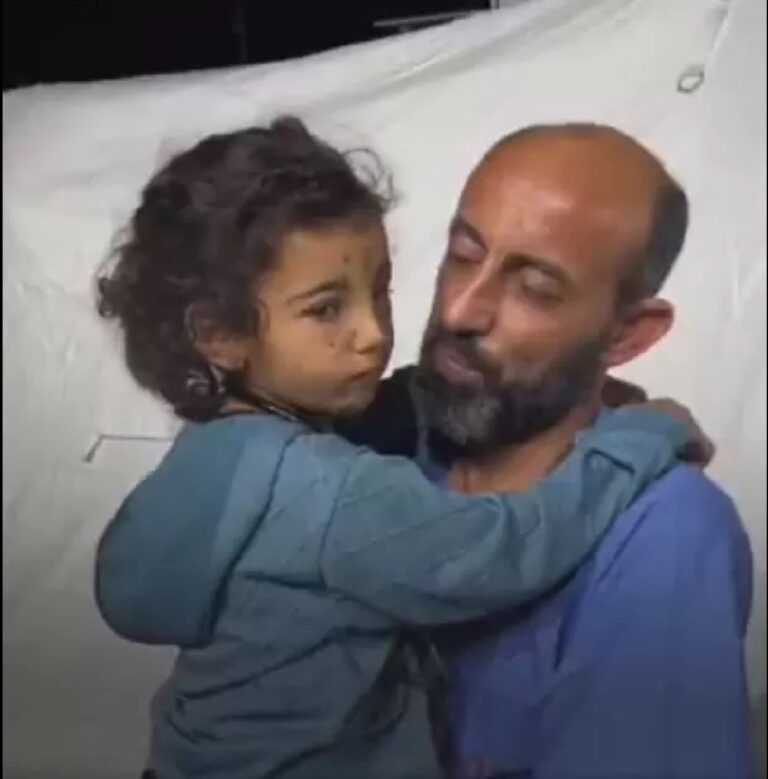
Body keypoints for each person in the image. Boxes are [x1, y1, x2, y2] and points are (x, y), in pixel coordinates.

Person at [93, 116, 703, 779]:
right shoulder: (335, 495)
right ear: (220, 334)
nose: (372, 334)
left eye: (380, 290)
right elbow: (506, 550)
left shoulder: (216, 452)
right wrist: (637, 438)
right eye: (327, 309)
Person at [344, 123, 754, 779]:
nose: (461, 311)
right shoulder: (373, 446)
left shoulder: (662, 535)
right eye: (461, 253)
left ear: (626, 334)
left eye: (534, 287)